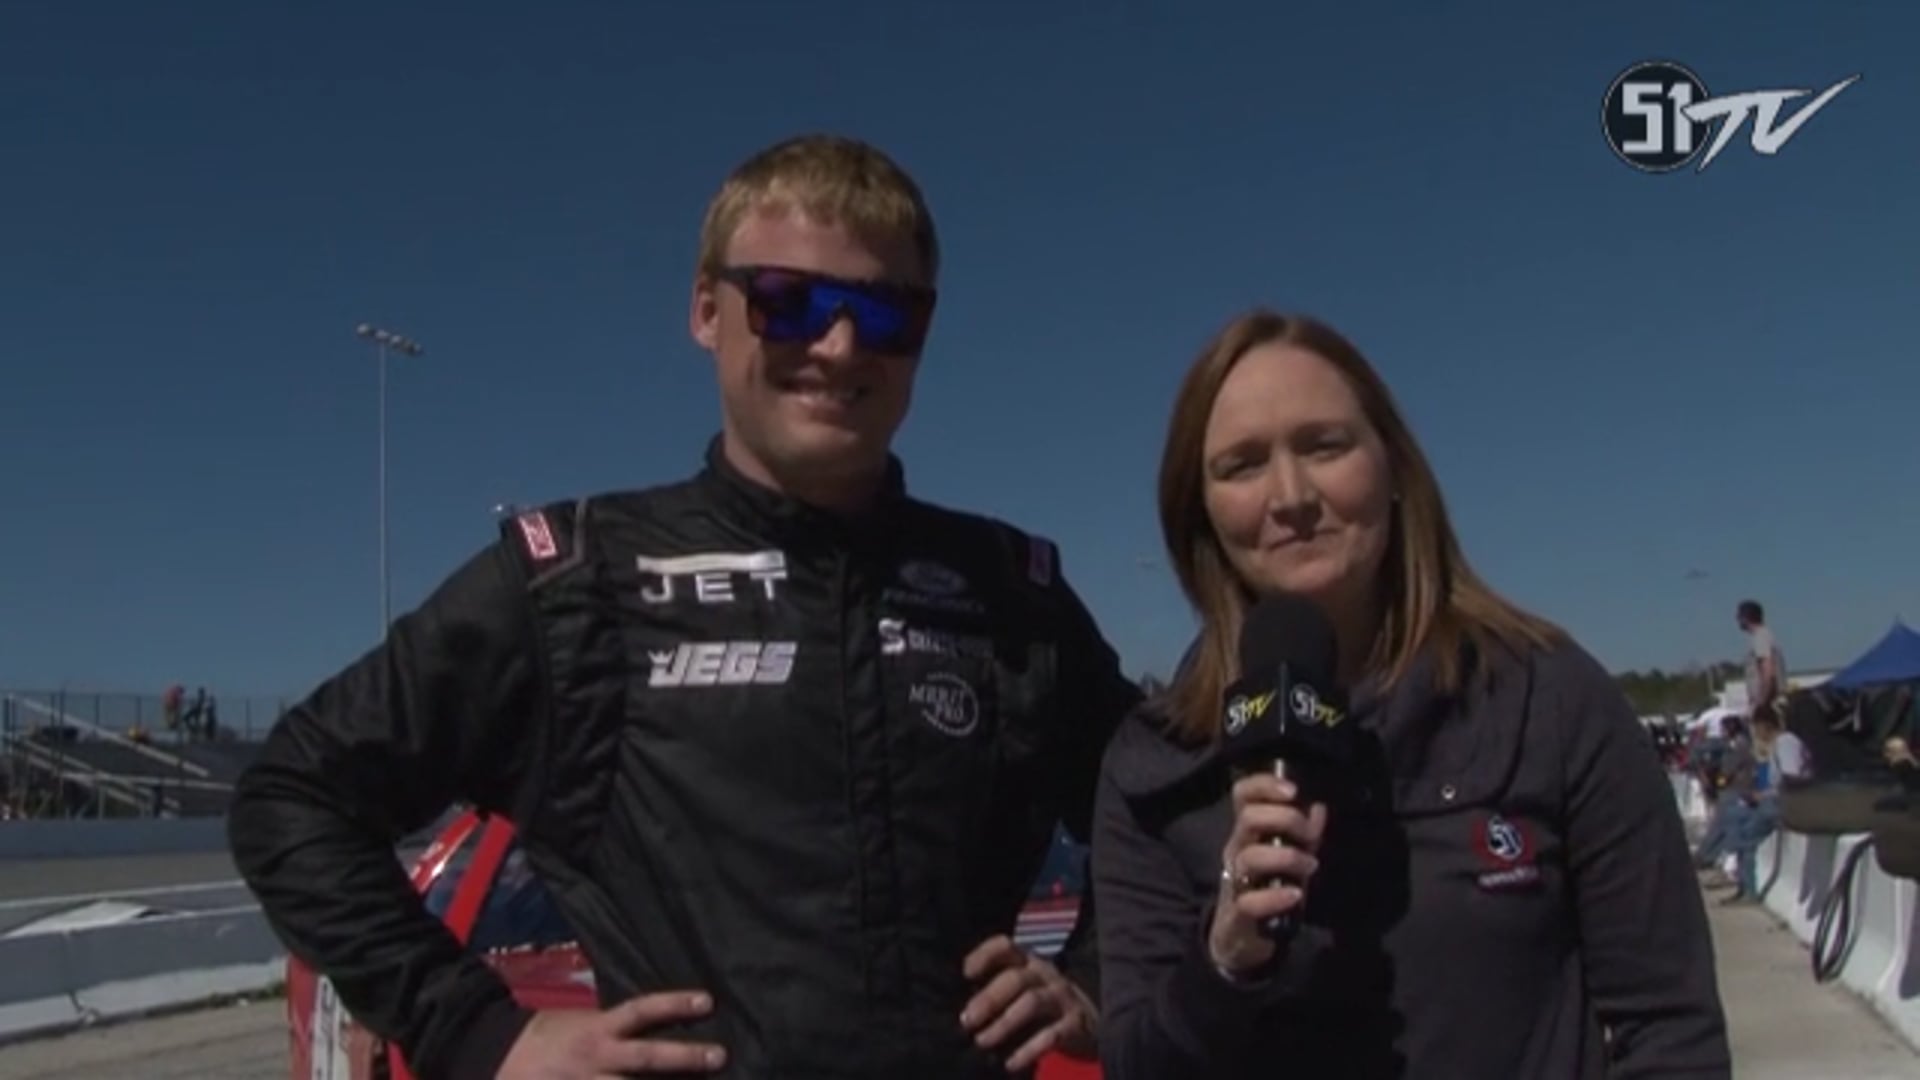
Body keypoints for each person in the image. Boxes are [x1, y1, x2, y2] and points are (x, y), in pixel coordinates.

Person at [228, 134, 1140, 1080]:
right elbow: (293, 798)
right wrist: (481, 1032)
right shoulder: (576, 586)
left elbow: (1164, 812)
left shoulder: (1008, 592)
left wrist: (1099, 979)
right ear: (709, 310)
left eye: (885, 313)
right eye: (789, 302)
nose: (838, 345)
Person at [1091, 310, 1730, 1078]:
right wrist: (1224, 960)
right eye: (1242, 465)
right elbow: (1135, 1064)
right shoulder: (1153, 761)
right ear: (1200, 511)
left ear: (1394, 469)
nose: (1290, 494)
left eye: (1324, 446)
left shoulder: (1549, 698)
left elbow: (1671, 1029)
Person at [1737, 599, 1788, 709]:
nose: (1737, 620)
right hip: (1769, 700)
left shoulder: (1760, 636)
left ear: (1746, 617)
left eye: (1739, 616)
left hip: (1767, 702)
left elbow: (1768, 669)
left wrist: (1762, 702)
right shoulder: (1763, 635)